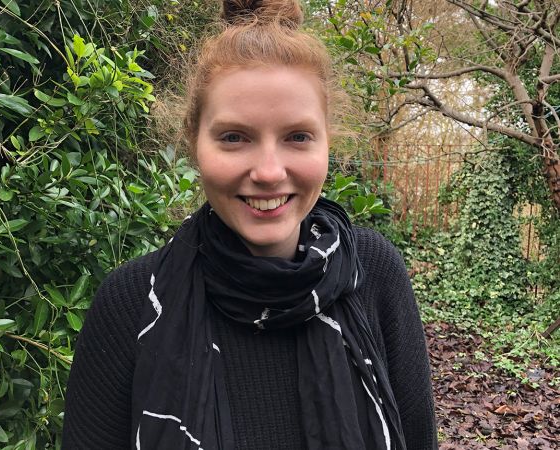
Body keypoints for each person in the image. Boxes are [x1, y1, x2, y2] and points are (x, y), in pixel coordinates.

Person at [62, 1, 438, 449]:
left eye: (297, 136)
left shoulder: (373, 273)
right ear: (193, 142)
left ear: (328, 143)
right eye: (234, 137)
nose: (268, 171)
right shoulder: (131, 304)